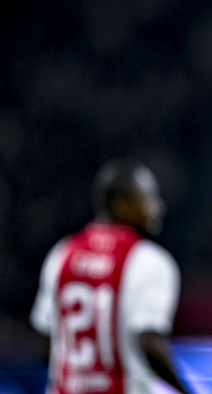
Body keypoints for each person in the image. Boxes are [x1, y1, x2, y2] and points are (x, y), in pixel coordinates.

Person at [30, 159, 192, 394]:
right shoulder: (149, 260)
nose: (156, 207)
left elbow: (47, 344)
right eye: (147, 197)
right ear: (120, 204)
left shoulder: (62, 252)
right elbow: (148, 341)